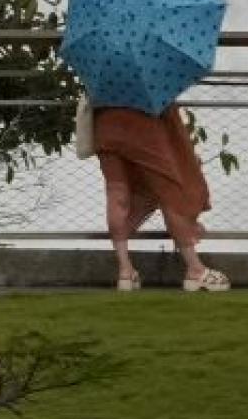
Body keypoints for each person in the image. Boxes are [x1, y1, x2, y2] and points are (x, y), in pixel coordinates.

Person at [95, 99, 230, 293]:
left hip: (106, 125)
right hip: (143, 124)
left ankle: (125, 271)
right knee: (171, 188)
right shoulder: (149, 76)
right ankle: (195, 269)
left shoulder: (103, 75)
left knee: (117, 193)